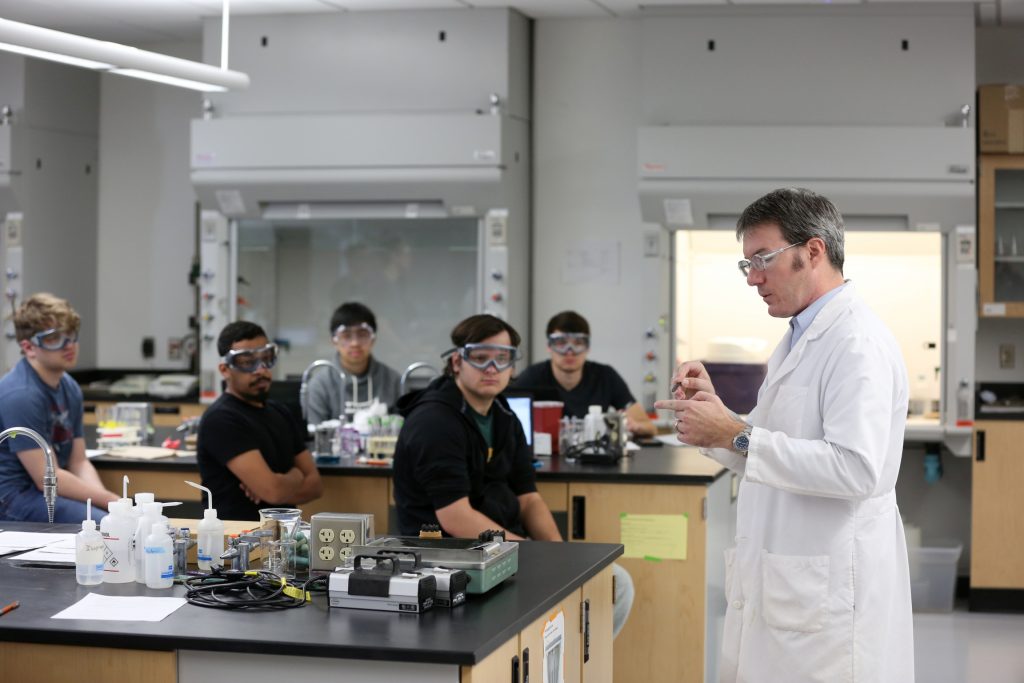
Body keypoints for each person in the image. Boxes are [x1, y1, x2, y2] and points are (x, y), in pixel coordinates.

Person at [655, 188, 913, 682]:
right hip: (792, 584)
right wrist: (717, 422)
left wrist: (736, 433)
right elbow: (769, 445)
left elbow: (857, 469)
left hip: (831, 596)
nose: (753, 278)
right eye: (746, 264)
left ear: (813, 251)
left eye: (763, 259)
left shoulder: (855, 341)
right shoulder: (799, 335)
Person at [393, 313, 634, 637]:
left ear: (512, 366)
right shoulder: (435, 421)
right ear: (456, 362)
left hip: (500, 550)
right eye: (479, 358)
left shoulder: (504, 416)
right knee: (602, 592)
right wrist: (530, 554)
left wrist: (559, 553)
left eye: (501, 358)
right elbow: (455, 516)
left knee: (614, 584)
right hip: (450, 559)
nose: (491, 368)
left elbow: (528, 497)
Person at [0, 293, 118, 522]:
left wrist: (109, 504)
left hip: (47, 491)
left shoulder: (69, 386)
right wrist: (111, 501)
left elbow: (78, 461)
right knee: (105, 526)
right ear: (29, 347)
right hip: (14, 499)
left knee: (112, 522)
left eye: (71, 334)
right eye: (54, 338)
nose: (69, 345)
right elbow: (47, 478)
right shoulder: (21, 395)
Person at [198, 321, 323, 521]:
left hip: (282, 539)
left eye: (266, 359)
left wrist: (279, 487)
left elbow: (315, 486)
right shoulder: (221, 419)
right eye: (248, 363)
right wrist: (296, 475)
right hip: (237, 541)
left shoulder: (280, 412)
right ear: (225, 370)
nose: (260, 369)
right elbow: (273, 492)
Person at [514, 310, 655, 437]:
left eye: (578, 343)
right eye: (561, 343)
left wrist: (634, 426)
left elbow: (650, 428)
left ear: (587, 347)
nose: (570, 351)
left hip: (594, 460)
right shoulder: (532, 377)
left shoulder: (605, 376)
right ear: (549, 347)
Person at [305, 302, 402, 424]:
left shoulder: (393, 380)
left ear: (373, 338)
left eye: (362, 335)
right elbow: (315, 436)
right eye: (346, 336)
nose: (355, 343)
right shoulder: (320, 384)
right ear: (334, 341)